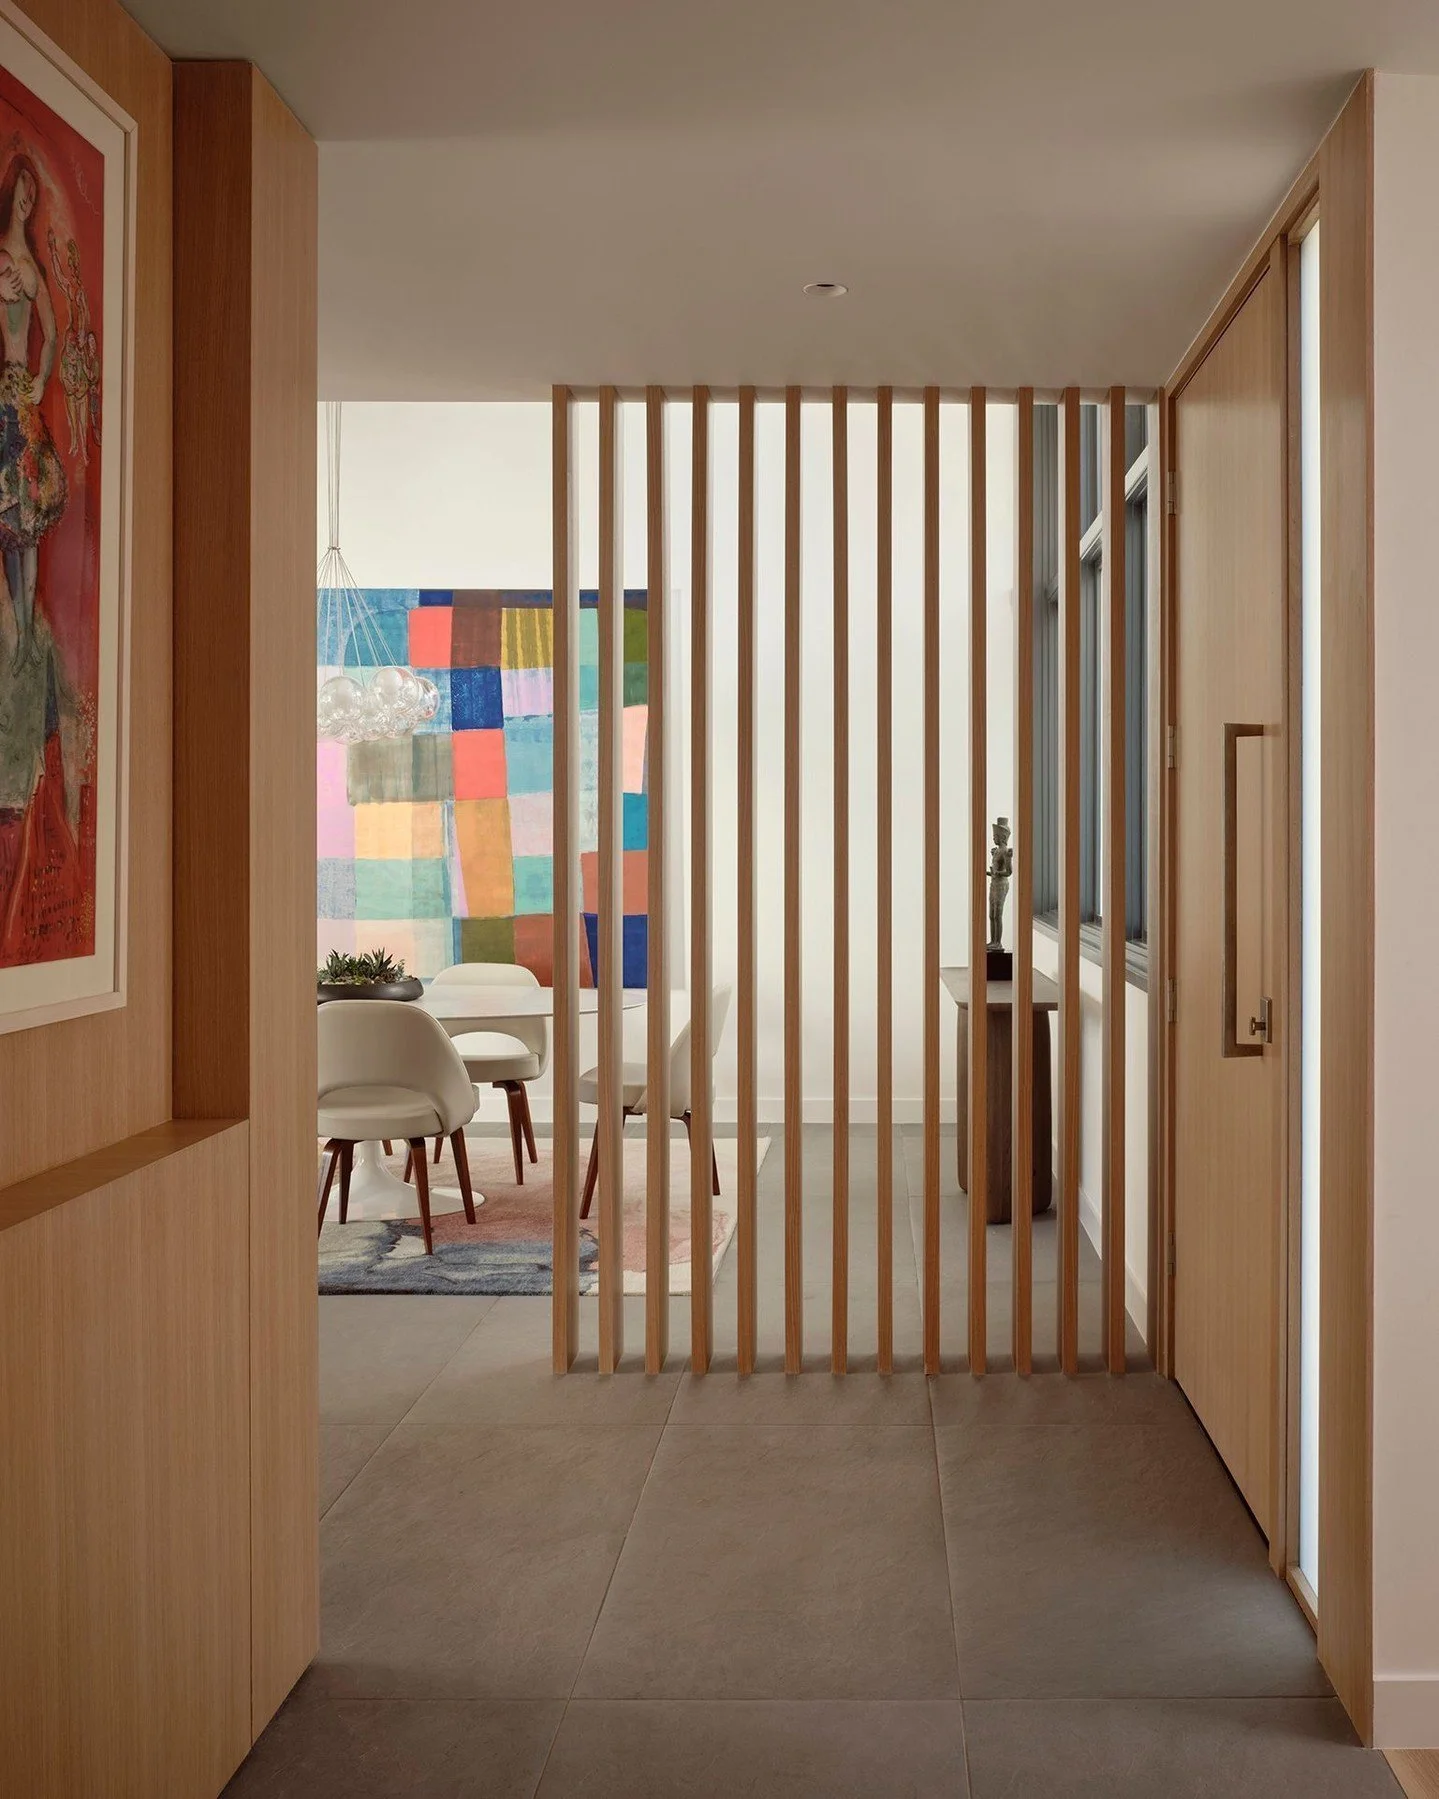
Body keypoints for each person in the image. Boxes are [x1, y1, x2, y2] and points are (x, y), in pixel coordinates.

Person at [0, 154, 66, 673]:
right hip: (3, 397)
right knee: (8, 519)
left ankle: (26, 633)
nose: (26, 203)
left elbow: (53, 335)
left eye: (31, 197)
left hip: (23, 401)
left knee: (32, 516)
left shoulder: (33, 269)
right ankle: (18, 628)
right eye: (20, 194)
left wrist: (41, 382)